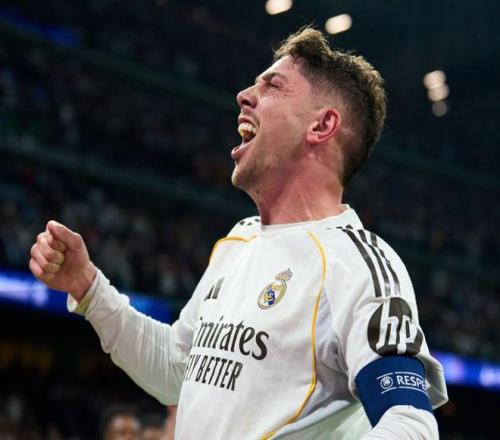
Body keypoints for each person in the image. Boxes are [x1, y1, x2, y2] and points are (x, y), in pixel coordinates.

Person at [29, 27, 448, 439]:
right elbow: (174, 370)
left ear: (321, 126)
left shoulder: (357, 265)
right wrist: (89, 287)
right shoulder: (238, 242)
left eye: (273, 87)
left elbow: (410, 423)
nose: (244, 96)